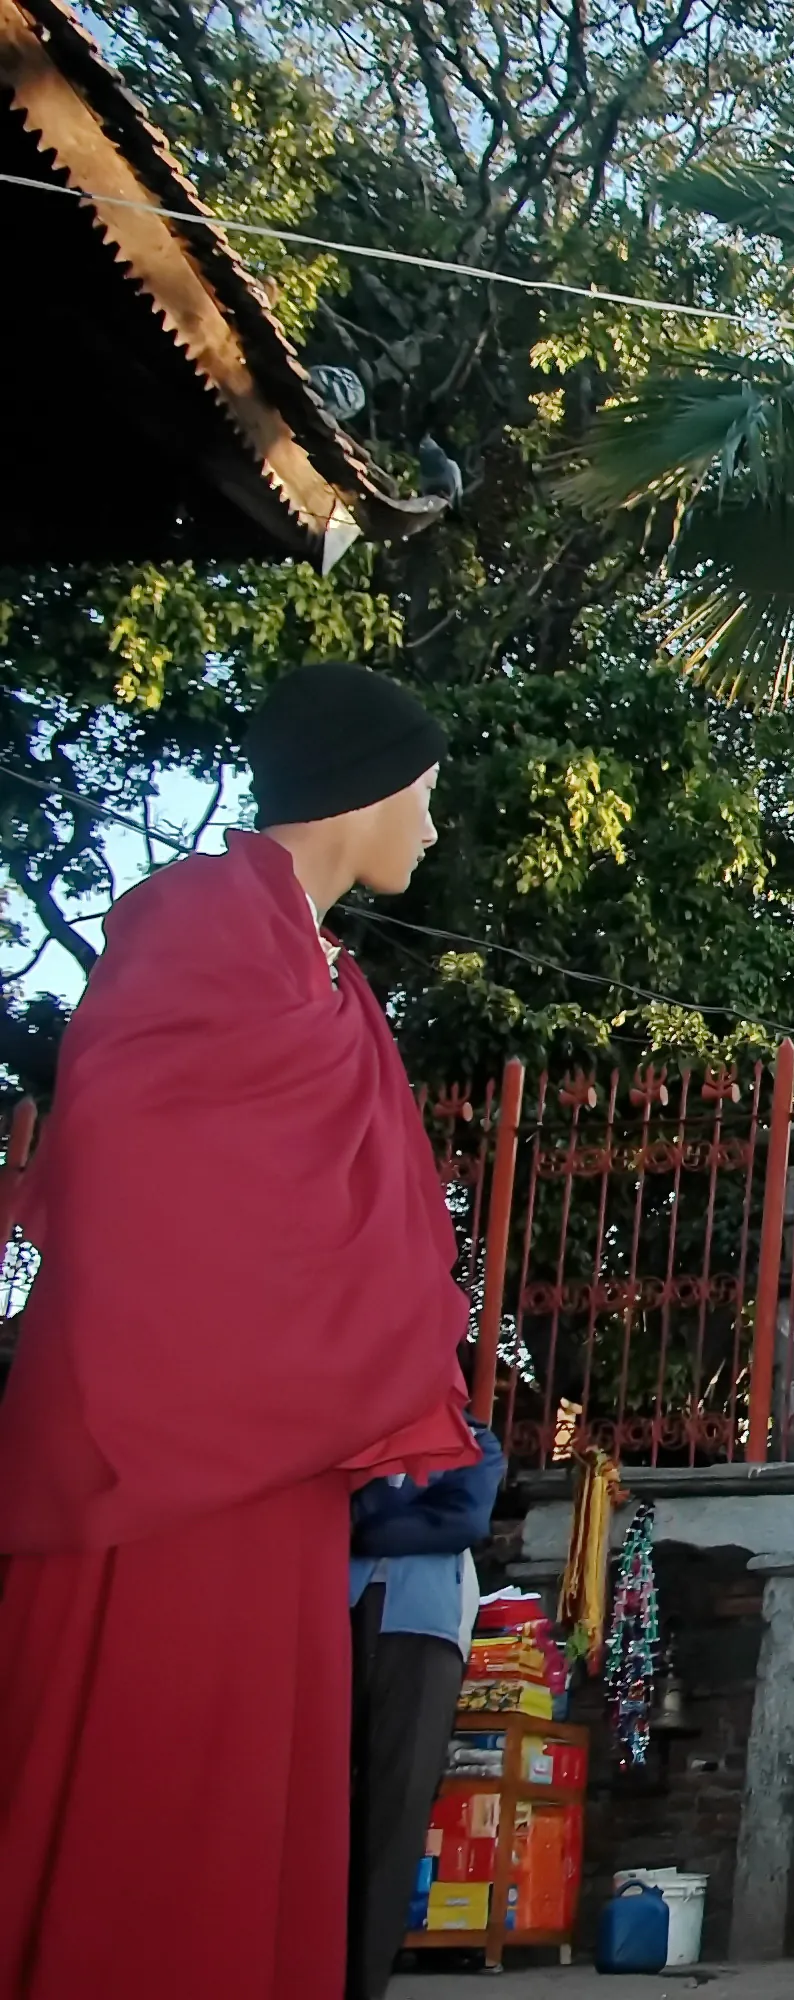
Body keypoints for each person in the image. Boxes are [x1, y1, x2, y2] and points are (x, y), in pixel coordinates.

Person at [0, 662, 478, 2000]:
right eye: (425, 794)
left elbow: (363, 1226)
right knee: (142, 1790)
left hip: (280, 1473)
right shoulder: (193, 920)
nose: (431, 827)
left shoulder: (340, 984)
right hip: (157, 1454)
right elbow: (131, 1169)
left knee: (254, 1804)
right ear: (366, 789)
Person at [347, 1415, 507, 2000]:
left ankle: (358, 1981)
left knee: (394, 1812)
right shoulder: (349, 1426)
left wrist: (367, 1528)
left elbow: (462, 1520)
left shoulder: (473, 1441)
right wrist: (396, 1520)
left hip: (422, 1627)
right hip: (330, 1616)